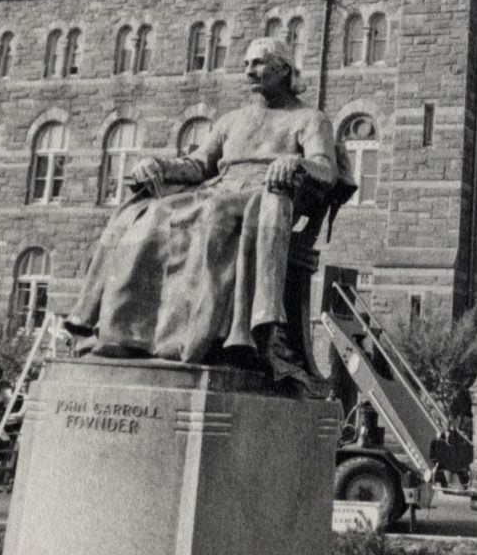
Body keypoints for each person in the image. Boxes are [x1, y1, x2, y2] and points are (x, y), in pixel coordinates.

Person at [66, 37, 343, 386]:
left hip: (263, 195)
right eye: (246, 64)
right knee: (147, 215)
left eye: (258, 63)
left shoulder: (309, 118)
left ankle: (208, 339)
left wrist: (296, 162)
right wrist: (159, 167)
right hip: (216, 190)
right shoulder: (232, 120)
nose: (249, 70)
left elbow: (326, 169)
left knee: (213, 214)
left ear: (284, 69)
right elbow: (199, 165)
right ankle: (127, 333)